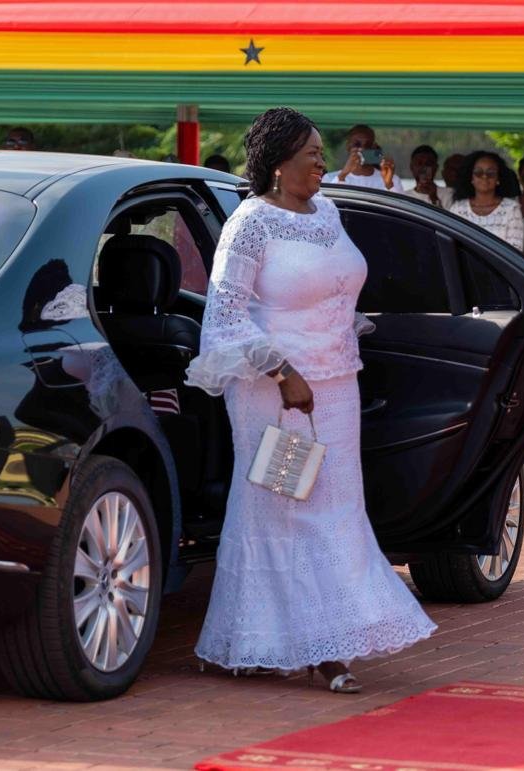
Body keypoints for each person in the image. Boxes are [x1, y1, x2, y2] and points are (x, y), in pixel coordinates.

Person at [185, 107, 435, 693]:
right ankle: (291, 646)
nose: (324, 163)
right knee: (282, 507)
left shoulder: (329, 211)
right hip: (275, 394)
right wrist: (281, 368)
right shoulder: (250, 222)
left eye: (323, 153)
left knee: (337, 508)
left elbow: (337, 287)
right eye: (312, 155)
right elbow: (223, 314)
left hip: (337, 385)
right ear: (277, 164)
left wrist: (339, 336)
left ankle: (330, 636)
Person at [449, 151, 524, 251]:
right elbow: (452, 245)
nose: (484, 176)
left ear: (498, 178)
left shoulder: (511, 208)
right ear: (471, 177)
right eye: (478, 173)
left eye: (491, 173)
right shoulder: (458, 208)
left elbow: (516, 250)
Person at [322, 124, 403, 192]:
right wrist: (342, 176)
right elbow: (327, 204)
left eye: (367, 145)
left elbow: (400, 208)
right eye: (357, 144)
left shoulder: (392, 180)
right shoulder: (330, 178)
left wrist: (389, 185)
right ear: (348, 146)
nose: (362, 149)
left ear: (374, 147)